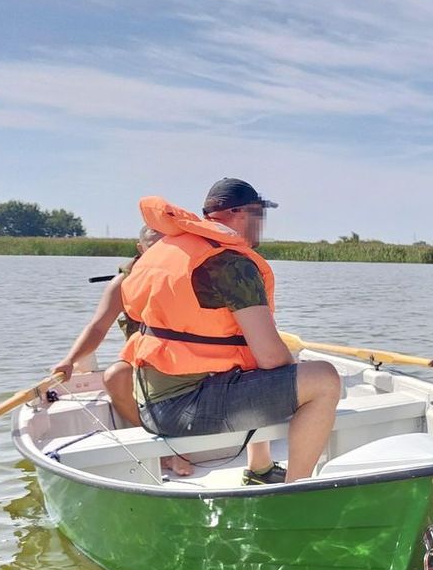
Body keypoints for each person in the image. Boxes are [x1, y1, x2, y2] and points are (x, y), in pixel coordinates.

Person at [120, 178, 343, 484]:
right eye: (259, 214)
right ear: (239, 213)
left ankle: (260, 468)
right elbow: (270, 358)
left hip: (149, 401)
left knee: (269, 374)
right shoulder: (231, 263)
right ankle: (296, 488)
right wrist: (294, 375)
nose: (261, 224)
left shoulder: (168, 249)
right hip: (184, 408)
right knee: (324, 380)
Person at [52, 226, 193, 476]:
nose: (160, 252)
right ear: (141, 249)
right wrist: (70, 360)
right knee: (115, 376)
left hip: (194, 358)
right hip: (148, 359)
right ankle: (165, 448)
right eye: (153, 245)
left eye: (167, 245)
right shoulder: (125, 282)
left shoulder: (195, 275)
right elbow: (97, 327)